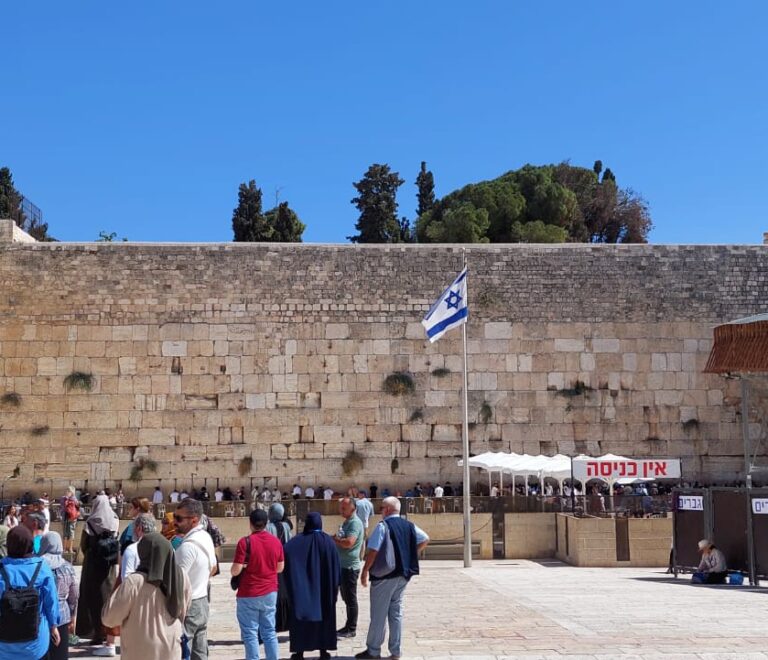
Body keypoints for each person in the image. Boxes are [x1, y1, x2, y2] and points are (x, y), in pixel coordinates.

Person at [355, 496, 429, 660]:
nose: (380, 511)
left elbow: (373, 550)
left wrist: (365, 570)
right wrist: (410, 553)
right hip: (403, 575)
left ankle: (373, 651)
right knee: (396, 613)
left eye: (381, 508)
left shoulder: (383, 526)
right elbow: (425, 538)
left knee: (378, 614)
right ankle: (395, 651)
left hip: (384, 576)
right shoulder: (409, 525)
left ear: (387, 510)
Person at [102, 533, 190, 660]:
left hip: (139, 649)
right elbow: (185, 607)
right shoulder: (181, 576)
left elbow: (109, 618)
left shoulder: (135, 581)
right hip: (171, 647)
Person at [284, 513, 340, 660]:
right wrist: (335, 586)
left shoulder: (295, 543)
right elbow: (336, 568)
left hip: (301, 591)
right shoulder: (329, 542)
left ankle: (299, 652)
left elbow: (286, 556)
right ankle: (323, 651)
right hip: (324, 591)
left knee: (300, 619)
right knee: (324, 618)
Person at [231, 509, 285, 660]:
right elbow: (280, 568)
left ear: (250, 523)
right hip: (269, 592)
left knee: (250, 634)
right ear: (266, 523)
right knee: (269, 631)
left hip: (248, 593)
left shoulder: (244, 542)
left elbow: (235, 571)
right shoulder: (276, 542)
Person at [0, 526, 60, 659]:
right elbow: (51, 601)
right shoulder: (42, 567)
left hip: (4, 647)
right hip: (36, 645)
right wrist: (53, 626)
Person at [76, 493, 119, 657]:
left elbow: (83, 546)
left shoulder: (91, 523)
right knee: (107, 599)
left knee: (92, 598)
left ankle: (94, 633)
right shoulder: (114, 521)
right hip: (108, 568)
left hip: (92, 566)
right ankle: (107, 632)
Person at [174, 498, 217, 660]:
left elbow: (175, 582)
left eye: (179, 519)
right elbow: (213, 568)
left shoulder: (187, 547)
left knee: (182, 650)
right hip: (202, 603)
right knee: (200, 652)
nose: (175, 522)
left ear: (194, 520)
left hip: (189, 605)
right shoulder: (205, 537)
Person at [39, 531, 78, 660]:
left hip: (41, 617)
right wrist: (73, 614)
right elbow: (74, 594)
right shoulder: (68, 567)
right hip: (62, 616)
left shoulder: (38, 565)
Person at [334, 497, 364, 639]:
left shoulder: (355, 524)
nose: (341, 510)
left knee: (350, 599)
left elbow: (349, 543)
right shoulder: (347, 522)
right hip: (343, 566)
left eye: (344, 508)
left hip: (349, 567)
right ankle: (347, 626)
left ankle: (351, 628)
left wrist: (335, 540)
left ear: (353, 508)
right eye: (341, 507)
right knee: (347, 598)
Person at [265, 503, 292, 633]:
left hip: (271, 563)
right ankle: (285, 621)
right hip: (284, 562)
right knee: (284, 591)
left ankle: (276, 621)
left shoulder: (268, 527)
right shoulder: (286, 526)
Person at [121, 513, 156, 580]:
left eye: (134, 527)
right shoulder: (164, 546)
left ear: (139, 528)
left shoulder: (132, 549)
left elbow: (126, 580)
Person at [60, 487, 80, 554]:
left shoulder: (72, 499)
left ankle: (68, 548)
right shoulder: (65, 498)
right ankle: (66, 548)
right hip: (68, 517)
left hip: (70, 518)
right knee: (67, 533)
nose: (67, 492)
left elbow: (78, 507)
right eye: (67, 490)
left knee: (70, 533)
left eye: (68, 491)